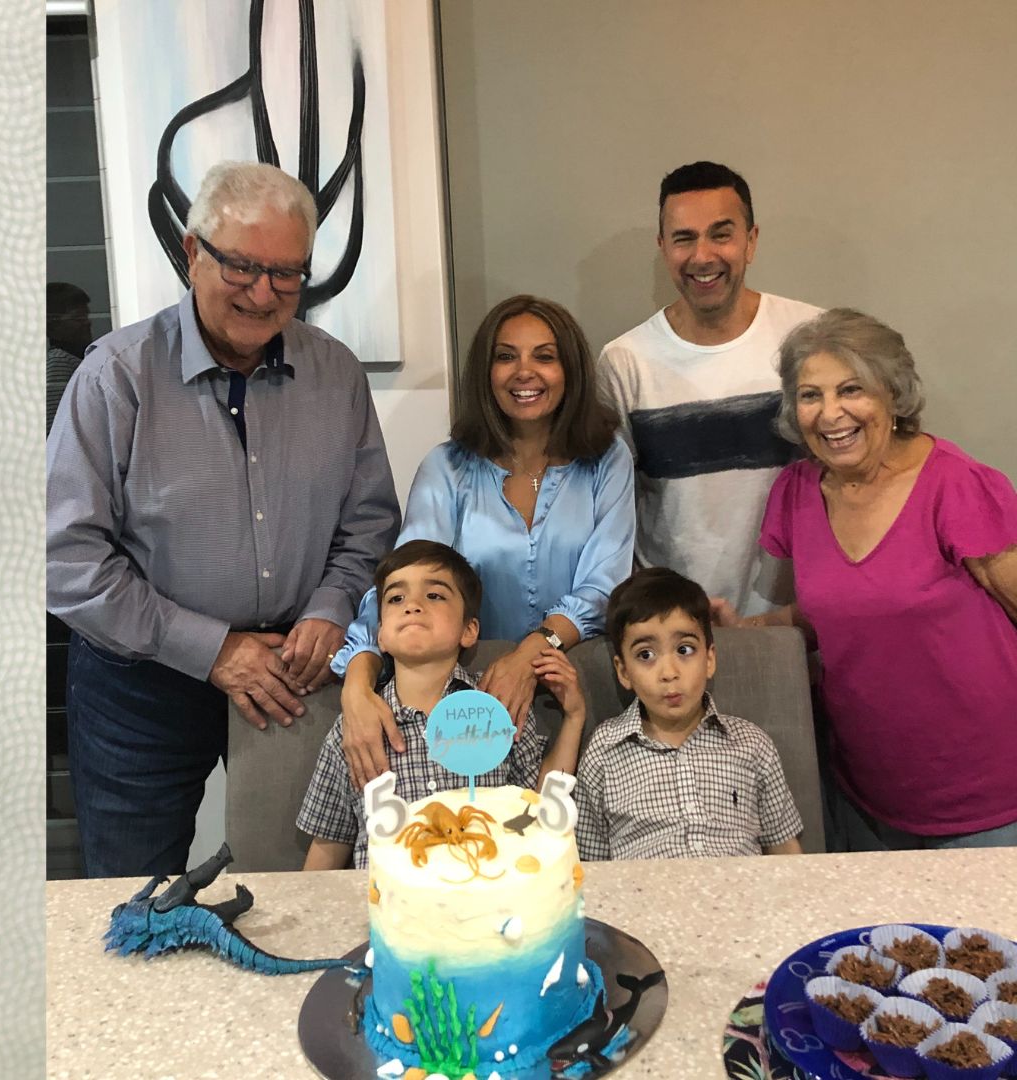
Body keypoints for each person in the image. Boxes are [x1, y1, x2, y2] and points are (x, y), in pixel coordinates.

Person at [46, 160, 400, 878]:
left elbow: (369, 521)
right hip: (138, 683)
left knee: (299, 887)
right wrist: (211, 649)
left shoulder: (335, 373)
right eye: (240, 266)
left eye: (287, 273)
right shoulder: (114, 376)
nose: (264, 292)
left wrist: (333, 607)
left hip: (295, 672)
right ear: (191, 253)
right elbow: (66, 558)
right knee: (135, 893)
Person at [717, 308, 1017, 850]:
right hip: (866, 797)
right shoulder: (797, 490)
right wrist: (748, 631)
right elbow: (830, 613)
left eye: (851, 389)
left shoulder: (955, 485)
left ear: (892, 395)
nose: (831, 414)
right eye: (811, 395)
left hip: (991, 799)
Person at [331, 295, 634, 790]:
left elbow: (606, 587)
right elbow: (405, 583)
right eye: (506, 355)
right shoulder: (447, 468)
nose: (524, 372)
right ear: (485, 371)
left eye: (545, 355)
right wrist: (357, 684)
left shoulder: (607, 459)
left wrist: (528, 655)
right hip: (472, 699)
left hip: (582, 686)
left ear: (571, 369)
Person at [596, 161, 823, 617]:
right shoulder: (624, 361)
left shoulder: (811, 337)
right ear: (663, 247)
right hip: (676, 636)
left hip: (799, 625)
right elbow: (610, 515)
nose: (702, 256)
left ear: (751, 241)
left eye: (721, 234)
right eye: (684, 238)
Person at [297, 541, 585, 870]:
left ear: (469, 630)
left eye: (434, 595)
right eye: (396, 598)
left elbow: (538, 807)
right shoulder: (354, 729)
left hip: (489, 902)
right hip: (390, 911)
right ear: (380, 636)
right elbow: (329, 845)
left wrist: (574, 717)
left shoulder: (497, 707)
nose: (413, 605)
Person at [575, 569, 803, 861]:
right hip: (646, 900)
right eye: (646, 655)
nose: (669, 673)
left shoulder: (751, 744)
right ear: (623, 671)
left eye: (684, 650)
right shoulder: (604, 750)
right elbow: (591, 863)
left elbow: (784, 848)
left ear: (709, 659)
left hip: (743, 898)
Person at [47, 282, 93, 432]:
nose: (87, 323)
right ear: (53, 325)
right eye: (78, 318)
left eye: (86, 316)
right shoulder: (60, 361)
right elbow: (57, 426)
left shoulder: (79, 358)